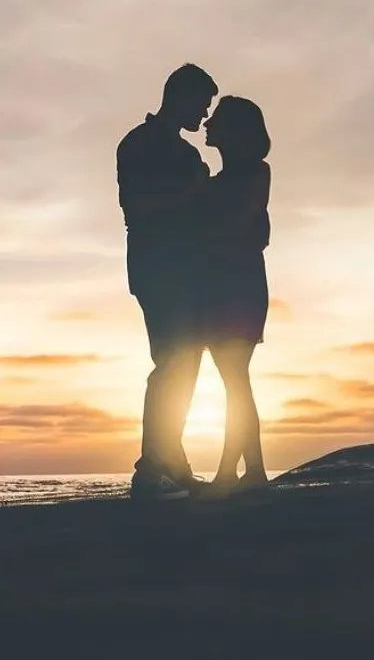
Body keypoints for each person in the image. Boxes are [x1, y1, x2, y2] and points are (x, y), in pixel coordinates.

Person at [117, 63, 218, 501]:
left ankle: (172, 464)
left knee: (186, 363)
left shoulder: (186, 153)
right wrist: (193, 192)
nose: (204, 114)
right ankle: (151, 468)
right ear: (179, 96)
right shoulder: (138, 144)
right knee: (172, 360)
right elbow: (137, 206)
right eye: (202, 103)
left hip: (189, 271)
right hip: (157, 269)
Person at [200, 95, 271, 499]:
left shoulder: (255, 173)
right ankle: (251, 469)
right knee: (235, 380)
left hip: (238, 288)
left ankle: (234, 470)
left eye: (217, 120)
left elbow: (240, 225)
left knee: (235, 379)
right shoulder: (215, 182)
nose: (207, 123)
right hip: (223, 286)